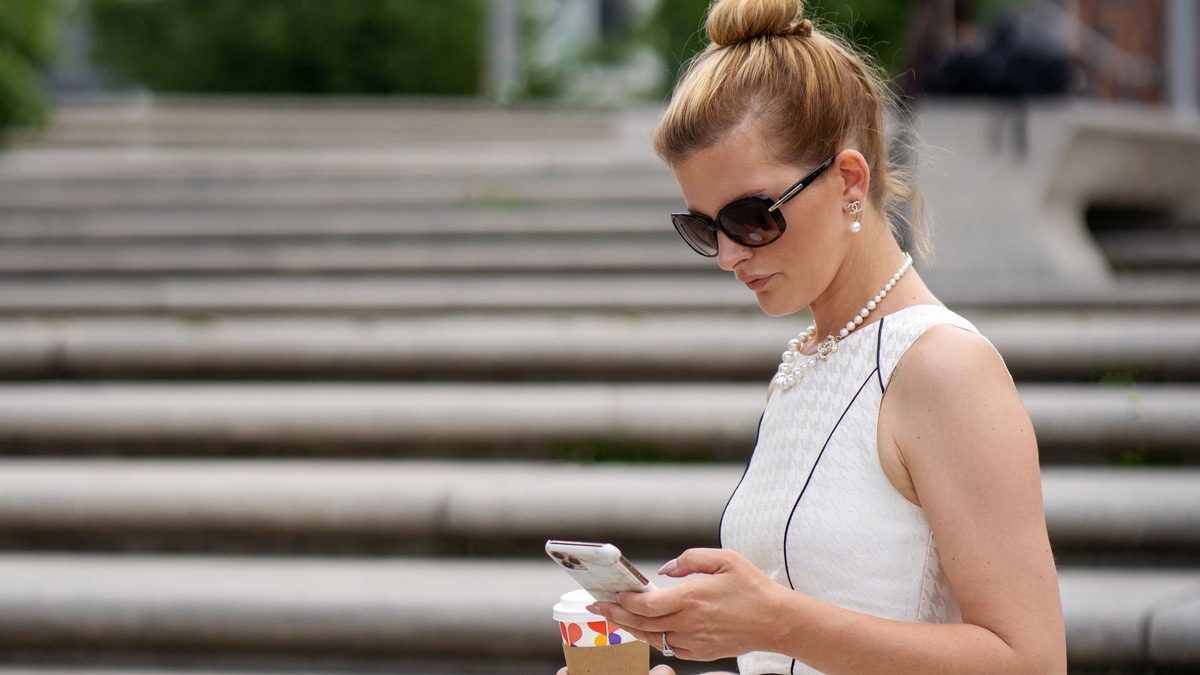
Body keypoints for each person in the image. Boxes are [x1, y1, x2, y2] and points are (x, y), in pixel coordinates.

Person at [558, 0, 1066, 673]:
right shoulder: (802, 362)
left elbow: (1031, 661)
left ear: (849, 181)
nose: (729, 254)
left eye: (751, 216)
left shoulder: (943, 366)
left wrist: (776, 620)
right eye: (705, 227)